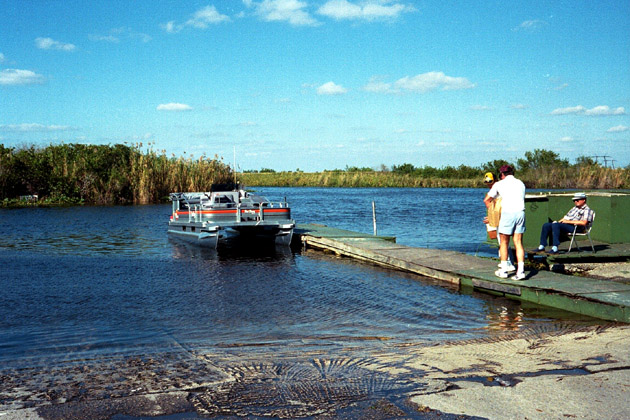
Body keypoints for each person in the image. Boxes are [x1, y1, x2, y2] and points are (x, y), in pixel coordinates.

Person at [483, 165, 526, 280]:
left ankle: (503, 270)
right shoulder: (521, 183)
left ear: (502, 175)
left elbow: (487, 199)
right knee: (518, 242)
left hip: (508, 213)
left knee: (503, 242)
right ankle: (521, 272)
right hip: (521, 213)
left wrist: (491, 216)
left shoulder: (499, 184)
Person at [482, 172, 515, 272]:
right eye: (487, 182)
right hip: (499, 217)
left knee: (503, 241)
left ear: (495, 180)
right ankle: (505, 261)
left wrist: (492, 216)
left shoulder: (498, 188)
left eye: (490, 181)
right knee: (501, 241)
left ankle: (509, 263)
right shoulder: (493, 189)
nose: (489, 184)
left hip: (503, 217)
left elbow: (490, 202)